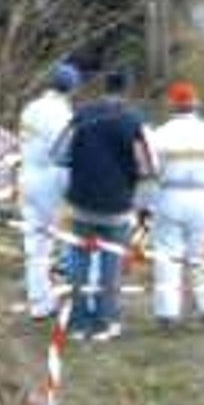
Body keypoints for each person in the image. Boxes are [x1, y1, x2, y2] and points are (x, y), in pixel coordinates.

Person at [59, 70, 155, 341]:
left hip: (81, 202)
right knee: (110, 266)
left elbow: (59, 154)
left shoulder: (82, 114)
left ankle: (77, 323)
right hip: (117, 206)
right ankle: (105, 321)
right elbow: (150, 166)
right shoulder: (134, 120)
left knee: (78, 263)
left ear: (104, 88)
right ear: (127, 91)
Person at [149, 81, 204, 327]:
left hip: (170, 196)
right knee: (203, 256)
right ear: (196, 104)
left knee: (167, 256)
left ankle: (167, 312)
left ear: (170, 104)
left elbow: (150, 174)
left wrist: (147, 206)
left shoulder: (160, 135)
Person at [17, 61, 82, 321]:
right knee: (63, 238)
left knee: (34, 244)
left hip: (27, 175)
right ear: (72, 88)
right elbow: (65, 150)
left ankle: (39, 303)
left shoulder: (30, 108)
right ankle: (69, 298)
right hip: (49, 178)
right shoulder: (60, 114)